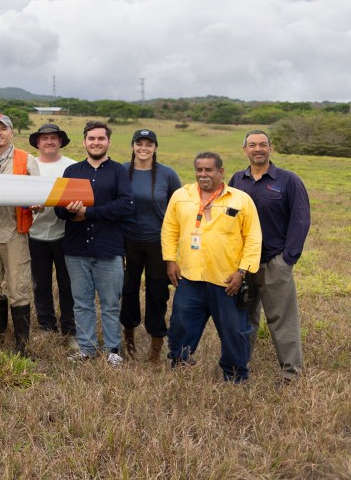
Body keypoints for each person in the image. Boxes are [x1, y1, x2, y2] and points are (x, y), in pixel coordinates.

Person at [163, 152, 262, 382]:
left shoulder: (240, 199)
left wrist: (242, 271)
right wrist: (170, 260)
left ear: (220, 171)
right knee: (181, 326)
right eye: (199, 170)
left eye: (209, 170)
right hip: (190, 278)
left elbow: (253, 237)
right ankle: (180, 367)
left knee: (234, 332)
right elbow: (169, 229)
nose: (203, 174)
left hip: (227, 281)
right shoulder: (181, 196)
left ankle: (235, 376)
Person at [228, 130, 311, 381]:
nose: (258, 149)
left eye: (262, 144)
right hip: (243, 264)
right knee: (244, 317)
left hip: (274, 261)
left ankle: (291, 373)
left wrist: (287, 259)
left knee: (282, 320)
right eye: (252, 145)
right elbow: (229, 218)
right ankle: (239, 368)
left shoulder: (288, 180)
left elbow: (300, 220)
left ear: (270, 148)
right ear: (245, 150)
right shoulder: (236, 180)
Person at [55, 120, 134, 365]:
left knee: (110, 303)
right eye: (91, 138)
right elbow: (59, 210)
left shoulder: (119, 171)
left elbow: (126, 205)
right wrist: (70, 212)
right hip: (76, 248)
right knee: (81, 302)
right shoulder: (72, 172)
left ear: (108, 142)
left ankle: (113, 350)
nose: (96, 142)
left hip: (108, 248)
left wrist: (88, 213)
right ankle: (87, 348)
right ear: (84, 142)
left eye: (101, 138)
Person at [0, 114, 39, 355]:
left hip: (14, 233)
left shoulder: (26, 160)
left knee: (18, 287)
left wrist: (36, 205)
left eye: (4, 129)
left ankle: (22, 343)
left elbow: (38, 195)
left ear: (12, 132)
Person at [120, 129, 181, 362]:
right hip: (127, 240)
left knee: (157, 293)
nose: (143, 148)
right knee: (128, 290)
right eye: (139, 143)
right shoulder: (122, 171)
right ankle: (129, 339)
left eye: (148, 144)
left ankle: (156, 345)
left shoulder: (168, 174)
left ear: (155, 147)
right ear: (133, 145)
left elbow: (178, 207)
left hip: (158, 242)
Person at [27, 123, 78, 351]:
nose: (49, 141)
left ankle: (70, 329)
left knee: (68, 284)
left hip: (65, 234)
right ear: (38, 142)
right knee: (41, 284)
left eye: (53, 138)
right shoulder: (29, 165)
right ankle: (46, 326)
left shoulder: (72, 167)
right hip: (35, 233)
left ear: (60, 142)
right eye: (44, 138)